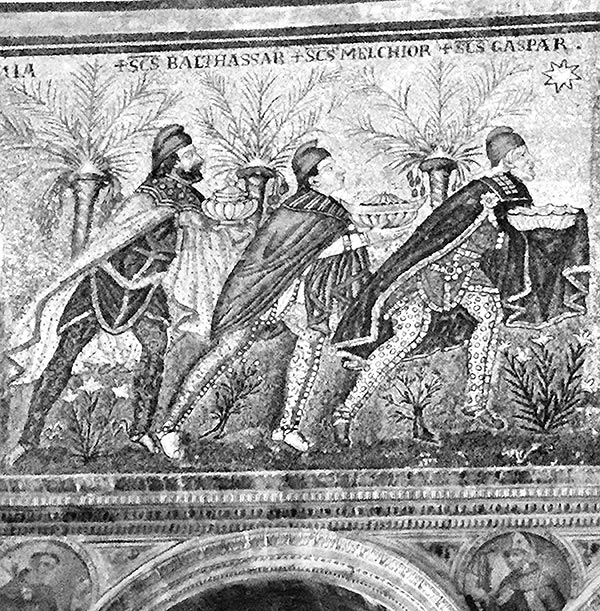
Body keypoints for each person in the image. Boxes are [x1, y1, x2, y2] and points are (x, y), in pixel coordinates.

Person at [331, 126, 589, 446]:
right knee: (406, 336)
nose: (531, 160)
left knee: (490, 315)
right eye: (522, 155)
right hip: (429, 274)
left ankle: (475, 405)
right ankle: (346, 411)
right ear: (507, 159)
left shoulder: (513, 191)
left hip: (466, 273)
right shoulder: (483, 190)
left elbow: (515, 231)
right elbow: (442, 234)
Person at [5, 125, 207, 464]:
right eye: (189, 154)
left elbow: (201, 235)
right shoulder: (150, 195)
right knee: (66, 353)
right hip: (106, 283)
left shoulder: (194, 200)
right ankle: (27, 438)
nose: (198, 158)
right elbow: (122, 230)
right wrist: (173, 215)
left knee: (156, 350)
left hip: (147, 289)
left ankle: (141, 431)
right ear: (173, 161)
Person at [157, 140, 372, 458]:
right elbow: (279, 256)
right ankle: (169, 427)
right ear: (313, 180)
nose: (338, 172)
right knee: (228, 349)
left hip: (301, 296)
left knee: (310, 343)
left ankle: (287, 427)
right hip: (264, 294)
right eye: (329, 169)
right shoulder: (297, 210)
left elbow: (336, 254)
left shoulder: (335, 212)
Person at [489, 533, 566, 611]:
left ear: (526, 555)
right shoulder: (507, 581)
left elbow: (557, 607)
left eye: (516, 554)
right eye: (507, 555)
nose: (510, 559)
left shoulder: (542, 578)